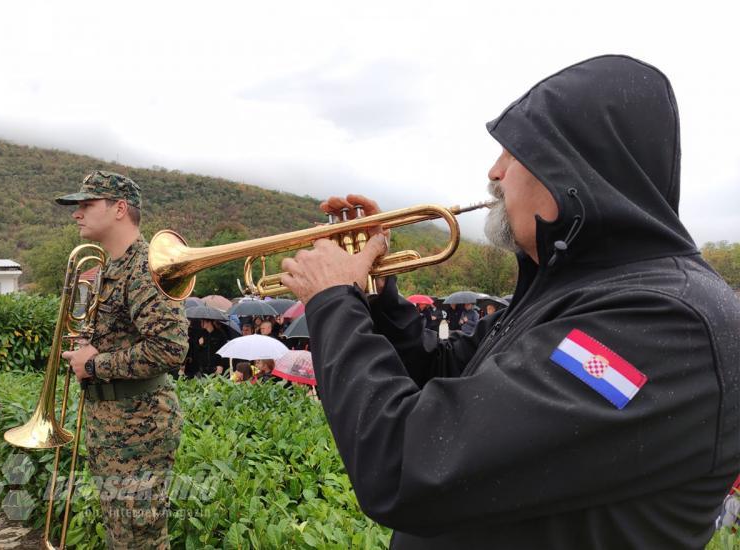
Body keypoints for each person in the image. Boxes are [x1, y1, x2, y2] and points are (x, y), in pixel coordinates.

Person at [280, 55, 740, 549]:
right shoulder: (570, 290)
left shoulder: (669, 322)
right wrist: (372, 295)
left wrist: (331, 300)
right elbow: (443, 374)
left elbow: (406, 464)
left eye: (513, 152)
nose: (494, 172)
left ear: (572, 167)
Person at [57, 170, 188, 550]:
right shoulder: (109, 268)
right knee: (123, 534)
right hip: (112, 422)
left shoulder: (148, 267)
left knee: (140, 537)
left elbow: (169, 348)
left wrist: (95, 364)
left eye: (86, 204)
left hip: (140, 424)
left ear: (119, 208)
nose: (76, 213)